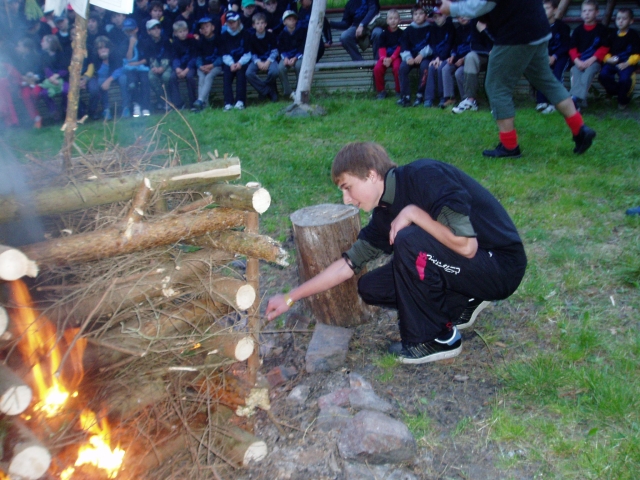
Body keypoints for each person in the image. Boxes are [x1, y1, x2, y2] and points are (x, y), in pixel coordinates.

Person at [265, 142, 527, 364]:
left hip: (500, 266)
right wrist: (290, 297)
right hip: (467, 269)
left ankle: (436, 339)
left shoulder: (425, 176)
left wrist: (413, 213)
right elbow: (346, 266)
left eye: (347, 187)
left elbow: (467, 246)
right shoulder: (384, 213)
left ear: (371, 175)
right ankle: (465, 299)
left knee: (409, 241)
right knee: (371, 287)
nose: (346, 199)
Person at [439, 0, 597, 157]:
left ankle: (509, 146)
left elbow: (482, 4)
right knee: (546, 80)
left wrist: (452, 8)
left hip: (516, 34)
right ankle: (580, 129)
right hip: (538, 29)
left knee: (496, 86)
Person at [568, 0, 609, 111]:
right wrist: (577, 61)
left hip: (594, 62)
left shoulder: (601, 30)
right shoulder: (578, 31)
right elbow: (572, 49)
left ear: (597, 12)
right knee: (575, 71)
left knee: (589, 72)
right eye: (584, 11)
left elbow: (604, 48)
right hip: (579, 61)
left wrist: (591, 60)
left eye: (590, 11)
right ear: (581, 14)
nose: (587, 13)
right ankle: (580, 101)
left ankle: (574, 98)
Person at [598, 8, 640, 110]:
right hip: (612, 62)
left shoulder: (634, 35)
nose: (620, 21)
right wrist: (608, 59)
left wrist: (627, 63)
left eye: (624, 19)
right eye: (618, 18)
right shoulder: (612, 35)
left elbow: (637, 53)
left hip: (627, 63)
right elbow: (605, 50)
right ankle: (617, 92)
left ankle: (622, 101)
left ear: (631, 21)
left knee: (625, 79)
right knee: (603, 75)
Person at [535, 0, 570, 115]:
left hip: (561, 57)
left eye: (547, 8)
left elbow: (566, 45)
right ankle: (541, 101)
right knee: (541, 73)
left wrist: (555, 56)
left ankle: (555, 103)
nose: (544, 11)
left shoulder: (562, 27)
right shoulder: (539, 27)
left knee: (557, 75)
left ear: (555, 10)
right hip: (545, 57)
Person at [450, 19, 492, 114]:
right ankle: (470, 100)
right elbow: (475, 45)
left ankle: (496, 102)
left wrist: (484, 31)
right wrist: (488, 52)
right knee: (470, 57)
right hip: (484, 55)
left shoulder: (501, 17)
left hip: (501, 52)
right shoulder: (476, 21)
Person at [86, 35, 127, 120]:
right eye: (100, 48)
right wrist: (104, 60)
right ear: (97, 50)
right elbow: (100, 74)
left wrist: (109, 80)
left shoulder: (115, 53)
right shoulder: (95, 57)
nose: (103, 50)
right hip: (103, 77)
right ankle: (106, 109)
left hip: (116, 75)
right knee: (101, 82)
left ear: (109, 48)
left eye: (105, 47)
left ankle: (125, 107)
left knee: (123, 79)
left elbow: (120, 69)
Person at [397, 5, 431, 107]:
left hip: (425, 57)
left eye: (421, 14)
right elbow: (403, 45)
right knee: (403, 67)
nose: (418, 16)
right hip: (411, 57)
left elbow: (433, 44)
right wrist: (408, 57)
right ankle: (405, 96)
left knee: (425, 67)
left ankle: (420, 94)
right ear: (412, 16)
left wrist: (421, 55)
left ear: (426, 16)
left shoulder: (430, 28)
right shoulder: (408, 30)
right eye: (415, 14)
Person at [220, 10, 251, 110]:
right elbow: (224, 53)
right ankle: (228, 102)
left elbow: (248, 53)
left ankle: (240, 101)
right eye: (229, 22)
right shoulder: (224, 36)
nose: (232, 24)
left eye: (234, 22)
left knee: (241, 74)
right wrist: (231, 64)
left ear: (238, 21)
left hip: (242, 61)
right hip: (229, 62)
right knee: (227, 75)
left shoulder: (245, 34)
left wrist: (240, 63)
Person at [423, 10, 455, 108]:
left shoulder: (450, 27)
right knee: (431, 68)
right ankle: (429, 98)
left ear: (445, 16)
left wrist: (441, 58)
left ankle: (443, 96)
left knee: (441, 68)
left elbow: (449, 44)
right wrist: (436, 58)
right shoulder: (433, 28)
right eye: (435, 17)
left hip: (448, 57)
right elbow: (433, 45)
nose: (437, 19)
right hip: (436, 57)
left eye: (439, 16)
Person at [122, 17, 152, 117]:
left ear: (136, 29)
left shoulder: (143, 41)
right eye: (126, 31)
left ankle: (145, 107)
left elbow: (146, 59)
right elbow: (128, 58)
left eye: (131, 30)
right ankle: (137, 105)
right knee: (132, 84)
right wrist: (131, 45)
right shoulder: (124, 43)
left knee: (144, 81)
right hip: (129, 69)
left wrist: (136, 64)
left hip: (142, 68)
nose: (129, 33)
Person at [247, 12, 279, 101]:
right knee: (248, 73)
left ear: (265, 24)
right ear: (253, 25)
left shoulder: (271, 36)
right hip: (257, 61)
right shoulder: (252, 38)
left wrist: (268, 62)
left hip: (270, 60)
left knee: (274, 71)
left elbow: (275, 51)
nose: (260, 25)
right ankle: (268, 91)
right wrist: (258, 62)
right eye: (257, 23)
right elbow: (252, 53)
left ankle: (263, 90)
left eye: (262, 23)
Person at [441, 16, 472, 108]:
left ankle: (466, 99)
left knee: (459, 73)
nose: (462, 18)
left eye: (464, 15)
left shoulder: (474, 29)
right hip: (457, 59)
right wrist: (452, 56)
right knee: (446, 68)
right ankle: (450, 97)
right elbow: (454, 46)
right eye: (459, 16)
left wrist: (464, 59)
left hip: (469, 60)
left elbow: (476, 48)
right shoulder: (458, 30)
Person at [192, 17, 222, 111]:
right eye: (202, 28)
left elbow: (222, 57)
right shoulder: (200, 41)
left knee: (209, 77)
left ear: (213, 27)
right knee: (201, 78)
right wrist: (200, 66)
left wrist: (212, 65)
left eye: (207, 26)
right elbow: (198, 57)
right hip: (203, 66)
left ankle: (200, 101)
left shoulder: (218, 39)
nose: (205, 29)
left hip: (216, 66)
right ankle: (204, 105)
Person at [143, 18, 173, 111]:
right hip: (154, 66)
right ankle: (162, 101)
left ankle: (168, 100)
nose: (156, 30)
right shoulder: (147, 43)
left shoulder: (166, 40)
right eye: (153, 29)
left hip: (166, 66)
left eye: (158, 28)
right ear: (148, 31)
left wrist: (162, 68)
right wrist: (154, 68)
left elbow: (169, 55)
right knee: (151, 77)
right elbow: (149, 58)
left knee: (166, 77)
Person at [373, 8, 402, 100]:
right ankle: (381, 91)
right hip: (385, 57)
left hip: (396, 57)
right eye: (390, 18)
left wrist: (391, 58)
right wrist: (383, 58)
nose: (393, 21)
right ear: (387, 21)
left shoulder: (402, 33)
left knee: (397, 68)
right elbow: (381, 48)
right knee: (377, 69)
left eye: (395, 18)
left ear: (399, 20)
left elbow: (399, 48)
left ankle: (399, 91)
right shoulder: (383, 34)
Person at [169, 20, 197, 109]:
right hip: (179, 67)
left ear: (187, 30)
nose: (183, 33)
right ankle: (178, 103)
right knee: (172, 77)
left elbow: (194, 57)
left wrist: (186, 70)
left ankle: (193, 103)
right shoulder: (174, 43)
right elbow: (174, 57)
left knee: (190, 77)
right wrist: (177, 68)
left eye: (184, 31)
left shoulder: (192, 41)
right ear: (175, 33)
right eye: (180, 32)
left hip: (190, 67)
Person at [277, 10, 305, 99]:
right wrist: (285, 58)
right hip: (287, 56)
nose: (292, 21)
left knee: (299, 66)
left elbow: (302, 47)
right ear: (284, 22)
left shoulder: (301, 32)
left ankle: (299, 90)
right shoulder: (281, 34)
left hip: (298, 56)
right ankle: (288, 92)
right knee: (280, 68)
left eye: (294, 19)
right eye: (289, 19)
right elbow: (281, 48)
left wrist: (296, 57)